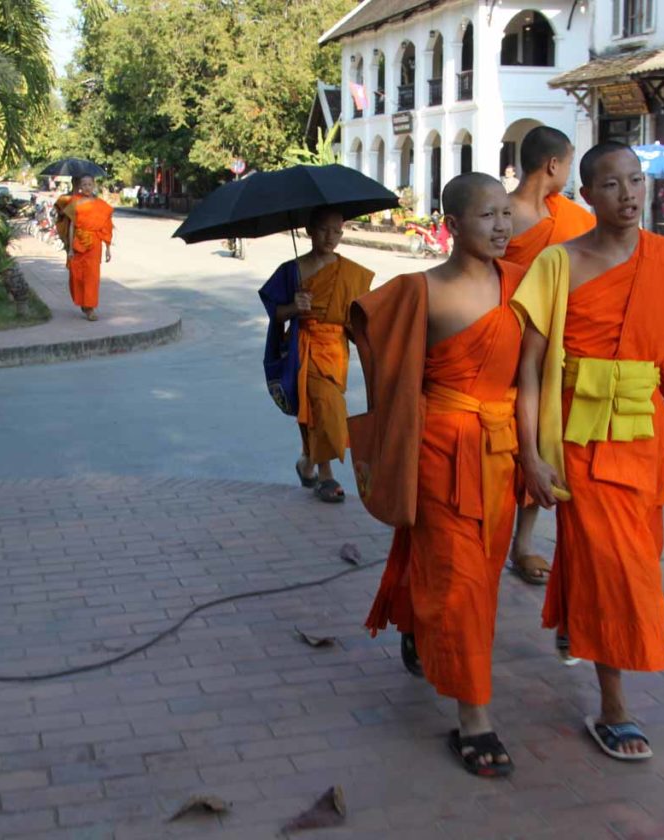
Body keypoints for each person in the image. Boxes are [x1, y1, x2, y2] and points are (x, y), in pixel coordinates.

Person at [512, 142, 664, 761]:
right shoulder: (558, 264)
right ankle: (614, 708)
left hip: (644, 441)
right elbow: (528, 371)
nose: (629, 194)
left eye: (636, 181)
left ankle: (579, 626)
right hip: (579, 442)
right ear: (587, 195)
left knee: (626, 560)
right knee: (617, 571)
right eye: (612, 185)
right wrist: (530, 454)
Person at [353, 173, 523, 777]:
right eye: (487, 216)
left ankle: (418, 626)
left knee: (481, 579)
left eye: (506, 213)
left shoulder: (522, 286)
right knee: (461, 584)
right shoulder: (418, 292)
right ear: (452, 225)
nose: (502, 225)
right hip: (438, 453)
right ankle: (475, 719)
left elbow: (530, 383)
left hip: (500, 456)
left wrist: (535, 454)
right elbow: (381, 354)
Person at [505, 126, 597, 591]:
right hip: (499, 340)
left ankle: (523, 542)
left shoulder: (569, 218)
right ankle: (488, 537)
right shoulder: (498, 213)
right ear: (554, 166)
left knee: (540, 442)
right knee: (501, 446)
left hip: (547, 343)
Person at [262, 207, 374, 502]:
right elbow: (276, 313)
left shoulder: (351, 272)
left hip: (335, 350)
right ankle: (326, 475)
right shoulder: (292, 270)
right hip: (303, 346)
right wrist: (292, 308)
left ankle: (307, 463)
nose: (330, 237)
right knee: (326, 409)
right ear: (308, 231)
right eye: (324, 230)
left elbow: (357, 318)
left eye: (337, 230)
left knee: (316, 409)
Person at [63, 174, 114, 322]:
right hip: (78, 242)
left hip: (95, 244)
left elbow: (106, 227)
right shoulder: (75, 202)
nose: (86, 187)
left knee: (92, 277)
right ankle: (83, 303)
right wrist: (70, 248)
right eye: (83, 184)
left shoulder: (101, 206)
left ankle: (90, 307)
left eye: (89, 184)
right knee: (77, 275)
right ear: (79, 186)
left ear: (94, 186)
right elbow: (72, 225)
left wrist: (108, 248)